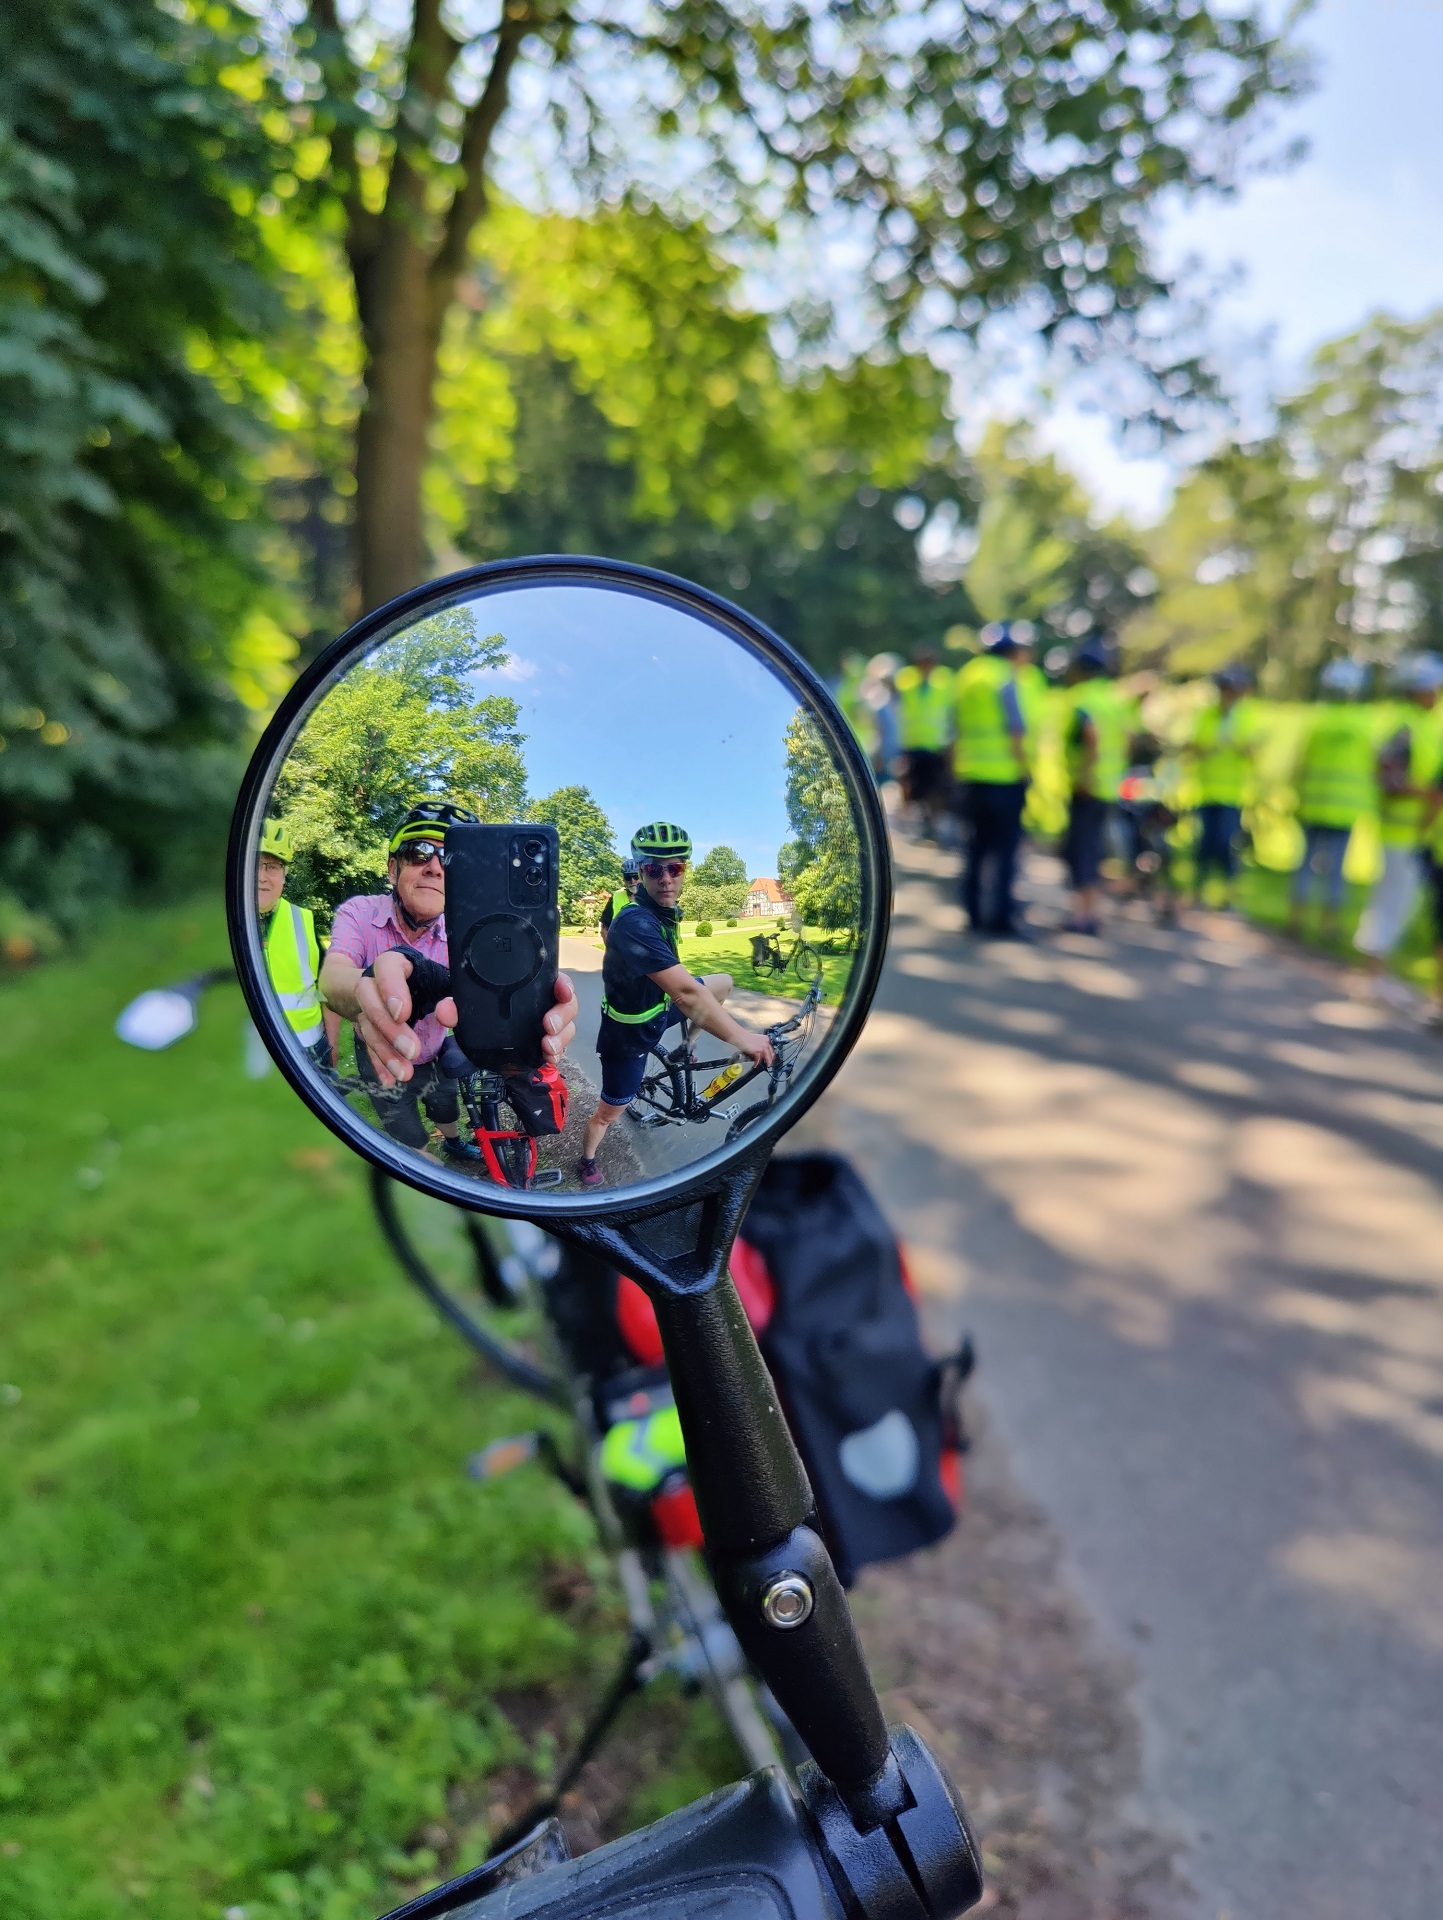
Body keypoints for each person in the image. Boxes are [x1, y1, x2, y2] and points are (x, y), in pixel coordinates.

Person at [320, 801, 578, 1162]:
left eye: (452, 859)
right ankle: (424, 1157)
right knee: (406, 1128)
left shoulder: (472, 935)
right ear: (393, 869)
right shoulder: (360, 913)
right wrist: (367, 987)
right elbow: (332, 977)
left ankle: (453, 1140)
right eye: (419, 852)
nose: (436, 867)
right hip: (380, 1055)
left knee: (445, 1105)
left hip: (438, 1047)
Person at [577, 822, 774, 1188]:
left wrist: (692, 1032)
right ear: (640, 872)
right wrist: (743, 1038)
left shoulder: (666, 912)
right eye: (654, 868)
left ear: (685, 870)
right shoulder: (635, 922)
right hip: (629, 1036)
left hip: (656, 1008)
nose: (666, 877)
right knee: (608, 1114)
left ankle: (687, 1046)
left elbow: (688, 989)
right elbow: (685, 994)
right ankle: (586, 1160)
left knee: (723, 983)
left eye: (675, 868)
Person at [1355, 653, 1443, 1002]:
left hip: (1417, 835)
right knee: (1390, 904)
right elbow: (1388, 781)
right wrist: (1429, 795)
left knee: (1398, 905)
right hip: (1400, 832)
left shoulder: (1423, 724)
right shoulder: (1405, 726)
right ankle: (1375, 979)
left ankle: (1378, 976)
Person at [1287, 657, 1374, 944]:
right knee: (1337, 870)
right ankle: (1329, 926)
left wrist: (1297, 799)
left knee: (1305, 864)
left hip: (1313, 806)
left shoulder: (1318, 723)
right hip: (1345, 810)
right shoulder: (1363, 726)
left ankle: (1296, 920)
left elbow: (1301, 765)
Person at [951, 623, 1030, 937]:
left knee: (975, 849)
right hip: (1005, 778)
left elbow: (953, 726)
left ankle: (972, 914)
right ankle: (1001, 918)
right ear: (1011, 651)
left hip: (971, 776)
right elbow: (1015, 728)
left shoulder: (967, 676)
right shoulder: (1005, 677)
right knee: (1006, 853)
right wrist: (1025, 768)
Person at [1061, 634, 1132, 935]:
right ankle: (1089, 911)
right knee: (1093, 848)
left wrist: (1087, 776)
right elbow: (1128, 739)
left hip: (1088, 786)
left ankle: (1083, 915)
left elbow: (1090, 736)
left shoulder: (1083, 698)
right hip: (1108, 785)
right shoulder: (1115, 698)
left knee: (1082, 851)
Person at [256, 818, 333, 1071]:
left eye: (272, 866)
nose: (261, 877)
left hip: (311, 1051)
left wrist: (331, 1051)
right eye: (254, 864)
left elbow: (326, 990)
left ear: (284, 876)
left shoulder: (304, 920)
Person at [1186, 665, 1256, 910]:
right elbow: (1195, 747)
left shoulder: (1246, 716)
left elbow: (1252, 750)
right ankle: (1198, 890)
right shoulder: (1207, 715)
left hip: (1232, 795)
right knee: (1204, 844)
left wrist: (1235, 742)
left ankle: (1228, 894)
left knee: (1226, 844)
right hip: (1206, 792)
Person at [893, 646, 955, 836]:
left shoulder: (944, 682)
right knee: (908, 782)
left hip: (935, 745)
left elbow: (951, 711)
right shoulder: (906, 680)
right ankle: (906, 821)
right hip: (911, 743)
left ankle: (932, 823)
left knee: (935, 788)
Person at [599, 858, 639, 945]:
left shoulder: (653, 898)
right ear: (624, 880)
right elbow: (605, 928)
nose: (632, 881)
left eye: (636, 876)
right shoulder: (616, 897)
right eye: (628, 877)